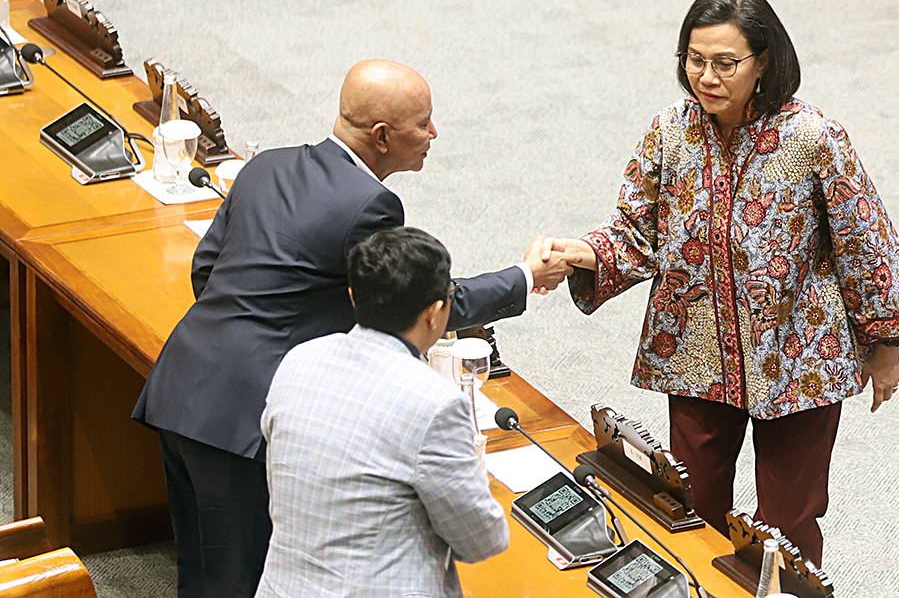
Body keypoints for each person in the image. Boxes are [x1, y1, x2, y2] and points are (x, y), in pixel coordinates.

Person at [132, 59, 575, 597]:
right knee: (238, 580)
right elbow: (414, 303)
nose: (434, 134)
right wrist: (525, 277)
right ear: (382, 137)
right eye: (423, 123)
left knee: (199, 569)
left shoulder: (268, 164)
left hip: (182, 380)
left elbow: (207, 271)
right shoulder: (371, 204)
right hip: (243, 418)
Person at [539, 0, 899, 566]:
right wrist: (584, 253)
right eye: (695, 60)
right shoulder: (671, 131)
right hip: (695, 351)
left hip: (801, 360)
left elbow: (866, 242)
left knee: (788, 524)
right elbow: (636, 230)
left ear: (764, 60)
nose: (707, 77)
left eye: (726, 63)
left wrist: (886, 344)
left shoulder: (814, 138)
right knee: (687, 505)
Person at [256, 226, 508, 598]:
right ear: (436, 313)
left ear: (353, 296)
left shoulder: (299, 360)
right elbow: (481, 540)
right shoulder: (433, 402)